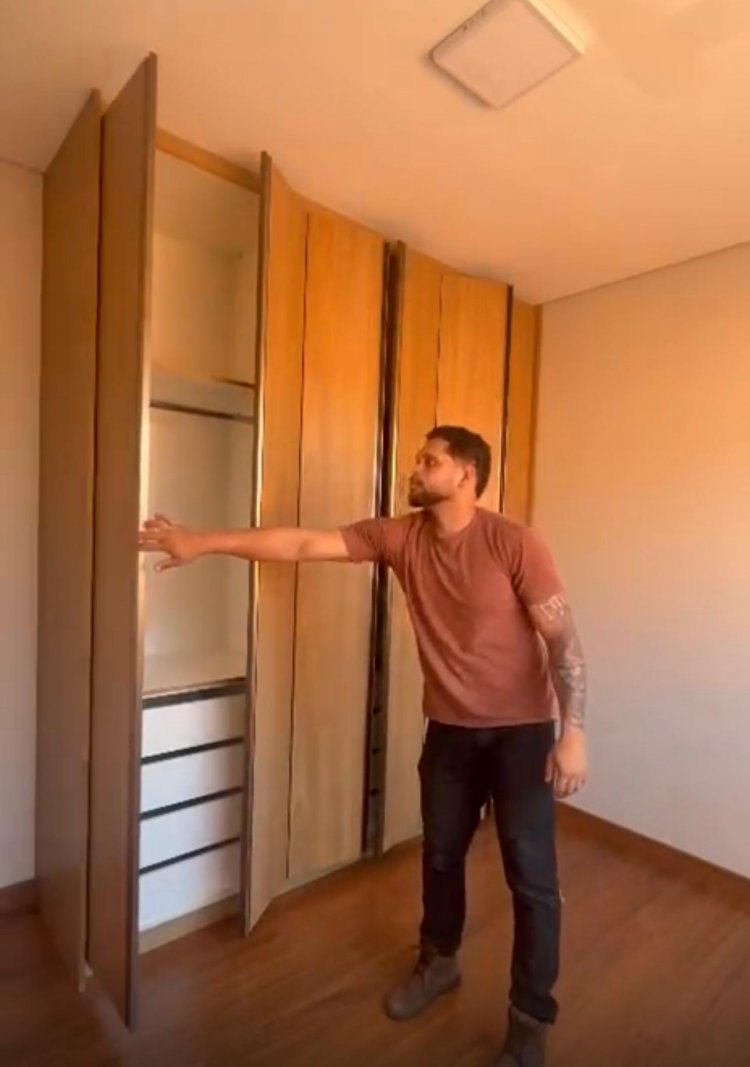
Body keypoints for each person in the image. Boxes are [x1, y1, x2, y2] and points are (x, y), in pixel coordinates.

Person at [138, 425, 587, 1067]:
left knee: (532, 877)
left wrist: (574, 732)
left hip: (522, 732)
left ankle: (530, 1017)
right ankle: (439, 964)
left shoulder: (514, 543)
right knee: (441, 856)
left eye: (430, 460)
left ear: (465, 475)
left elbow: (562, 641)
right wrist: (202, 541)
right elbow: (301, 543)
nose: (415, 468)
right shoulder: (400, 536)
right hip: (450, 731)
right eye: (419, 458)